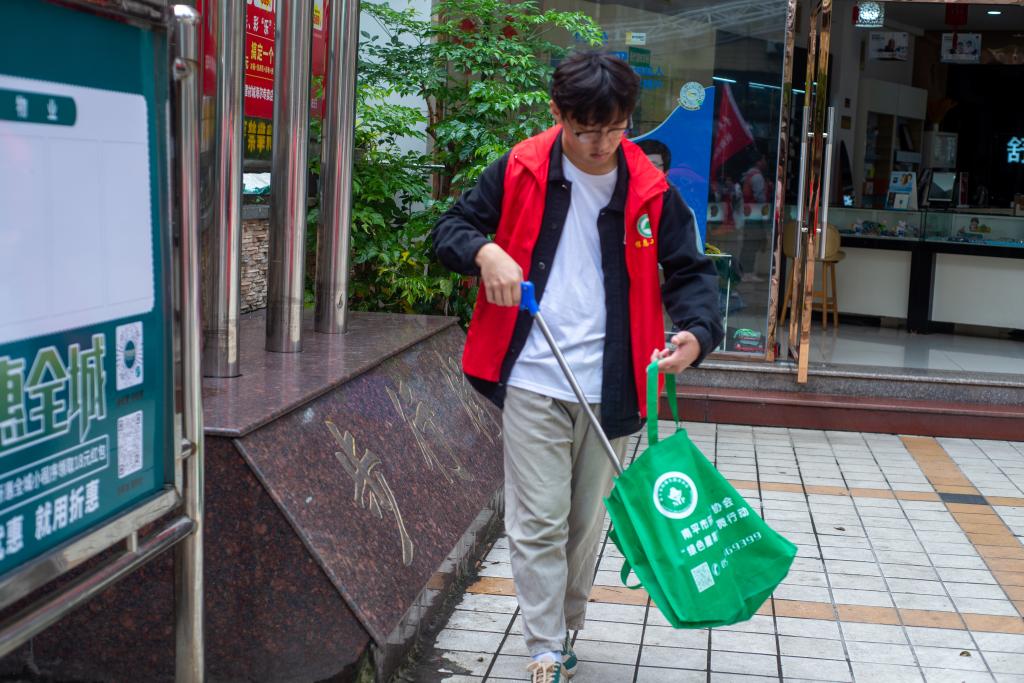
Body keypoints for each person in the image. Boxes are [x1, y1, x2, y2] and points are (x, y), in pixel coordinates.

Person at [431, 50, 722, 683]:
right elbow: (450, 228)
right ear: (558, 114)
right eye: (586, 129)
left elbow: (691, 271)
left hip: (613, 383)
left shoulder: (649, 187)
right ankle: (544, 648)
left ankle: (564, 628)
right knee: (538, 518)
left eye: (614, 128)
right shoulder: (521, 167)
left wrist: (696, 335)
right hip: (534, 373)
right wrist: (485, 252)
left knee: (585, 525)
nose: (600, 144)